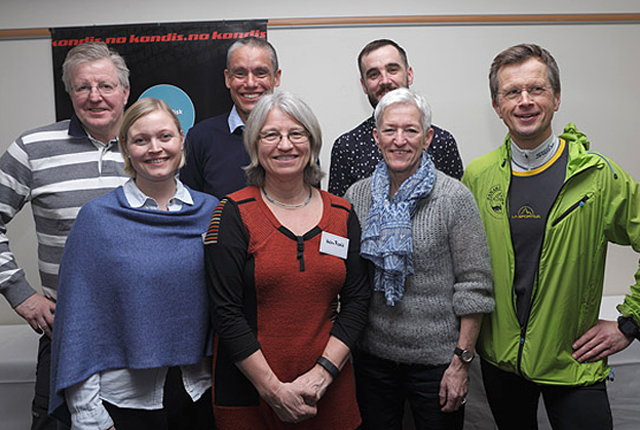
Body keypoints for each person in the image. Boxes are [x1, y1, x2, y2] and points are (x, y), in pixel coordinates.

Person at [462, 43, 640, 430]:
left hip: (573, 361)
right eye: (512, 92)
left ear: (556, 98)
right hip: (501, 364)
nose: (524, 101)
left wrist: (631, 322)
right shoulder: (478, 177)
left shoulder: (597, 177)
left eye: (537, 89)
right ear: (497, 106)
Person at [49, 97, 218, 430]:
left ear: (182, 139)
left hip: (199, 392)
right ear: (126, 148)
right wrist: (87, 412)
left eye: (165, 136)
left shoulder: (211, 212)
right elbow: (79, 320)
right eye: (141, 140)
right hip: (123, 402)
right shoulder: (98, 219)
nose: (155, 148)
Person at [204, 91, 370, 429]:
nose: (285, 145)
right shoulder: (233, 213)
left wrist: (322, 376)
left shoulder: (342, 213)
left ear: (311, 142)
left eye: (296, 133)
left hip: (329, 392)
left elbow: (357, 301)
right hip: (251, 396)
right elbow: (225, 311)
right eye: (271, 135)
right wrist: (274, 391)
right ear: (254, 144)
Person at [344, 87, 494, 430]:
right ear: (376, 137)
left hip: (438, 365)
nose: (400, 140)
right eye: (390, 130)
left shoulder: (454, 197)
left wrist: (461, 363)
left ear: (427, 138)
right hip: (373, 361)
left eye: (410, 130)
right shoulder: (357, 196)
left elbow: (475, 286)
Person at [0, 41, 131, 430]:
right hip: (67, 328)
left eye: (106, 86)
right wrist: (21, 295)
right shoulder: (33, 148)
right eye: (82, 87)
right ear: (69, 93)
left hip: (142, 330)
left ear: (125, 91)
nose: (95, 97)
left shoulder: (154, 147)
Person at [329, 39, 463, 197]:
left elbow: (456, 201)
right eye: (374, 74)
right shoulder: (346, 147)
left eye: (392, 70)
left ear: (409, 74)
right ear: (364, 85)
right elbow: (340, 215)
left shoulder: (442, 142)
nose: (385, 81)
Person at [180, 36, 281, 199]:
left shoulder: (297, 139)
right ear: (228, 78)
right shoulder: (200, 138)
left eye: (260, 73)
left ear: (276, 77)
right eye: (240, 74)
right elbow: (191, 210)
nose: (250, 83)